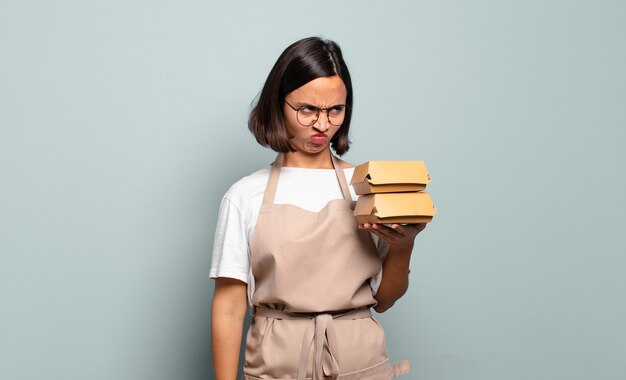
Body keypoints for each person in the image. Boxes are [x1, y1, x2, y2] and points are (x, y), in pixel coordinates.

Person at [210, 36, 427, 380]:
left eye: (336, 110)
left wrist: (404, 247)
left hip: (360, 362)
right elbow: (230, 307)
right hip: (277, 364)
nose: (323, 125)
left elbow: (384, 300)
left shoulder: (366, 188)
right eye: (308, 109)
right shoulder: (244, 195)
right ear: (277, 105)